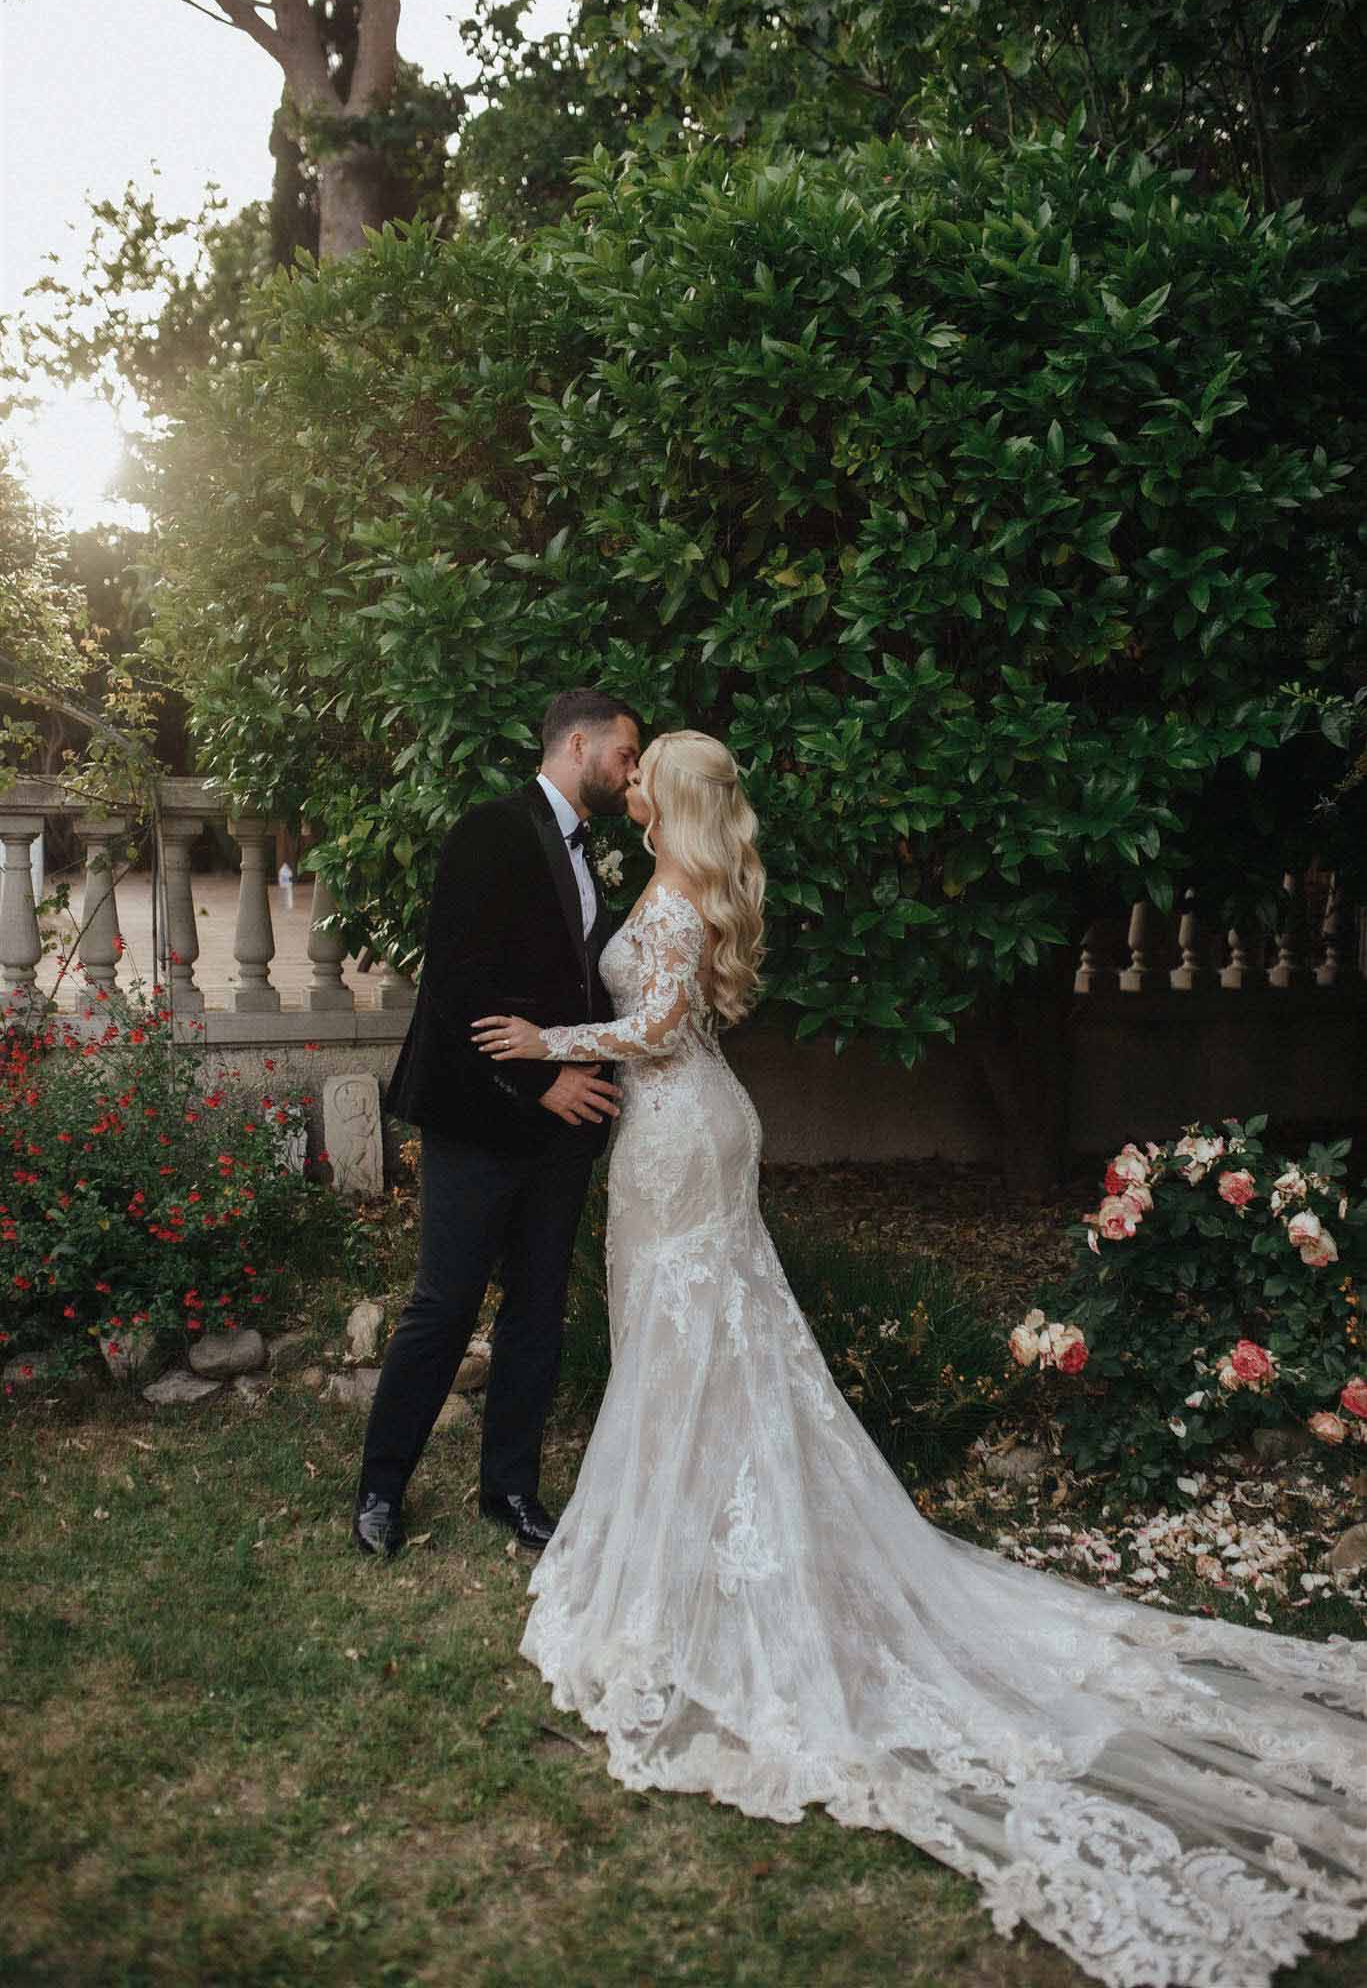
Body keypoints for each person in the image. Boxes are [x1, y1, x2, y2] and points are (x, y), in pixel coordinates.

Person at [472, 728, 1367, 1988]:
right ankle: (706, 1529)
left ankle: (698, 1557)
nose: (626, 783)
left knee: (689, 1333)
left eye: (641, 774)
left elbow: (661, 1026)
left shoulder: (671, 904)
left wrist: (547, 1040)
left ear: (666, 799)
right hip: (700, 1135)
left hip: (675, 1132)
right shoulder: (685, 884)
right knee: (705, 1337)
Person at [351, 689, 641, 1559]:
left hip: (568, 1130)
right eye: (625, 754)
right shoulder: (490, 829)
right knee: (442, 1306)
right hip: (484, 1115)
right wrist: (544, 1082)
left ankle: (510, 1488)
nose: (630, 773)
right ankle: (379, 1489)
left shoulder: (599, 852)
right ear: (578, 744)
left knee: (538, 1313)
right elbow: (461, 985)